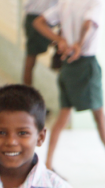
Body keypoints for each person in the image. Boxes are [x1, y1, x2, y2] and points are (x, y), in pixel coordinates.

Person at [33, 0, 105, 173]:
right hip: (85, 65)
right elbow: (89, 23)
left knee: (63, 116)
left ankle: (48, 164)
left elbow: (38, 22)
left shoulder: (66, 2)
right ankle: (48, 165)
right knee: (100, 118)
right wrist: (79, 44)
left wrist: (60, 40)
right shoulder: (96, 3)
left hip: (67, 66)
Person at [22, 0, 57, 85]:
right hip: (38, 16)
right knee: (31, 55)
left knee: (32, 54)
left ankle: (27, 90)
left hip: (37, 16)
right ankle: (27, 91)